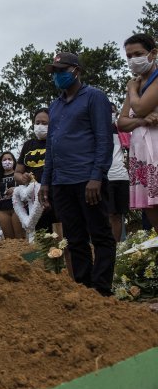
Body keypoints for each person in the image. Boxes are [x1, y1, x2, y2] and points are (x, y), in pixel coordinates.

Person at [40, 52, 115, 296]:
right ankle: (84, 288)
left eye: (62, 70)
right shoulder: (55, 105)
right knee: (75, 238)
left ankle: (102, 288)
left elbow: (104, 140)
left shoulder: (94, 97)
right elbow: (51, 146)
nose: (58, 75)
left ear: (76, 70)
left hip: (87, 179)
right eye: (55, 72)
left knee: (100, 234)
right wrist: (45, 182)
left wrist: (97, 176)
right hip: (62, 182)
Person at [118, 33, 158, 228]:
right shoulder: (137, 82)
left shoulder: (150, 81)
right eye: (129, 56)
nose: (133, 59)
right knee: (149, 206)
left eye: (138, 54)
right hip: (141, 153)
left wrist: (131, 90)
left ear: (153, 53)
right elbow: (122, 123)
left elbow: (140, 107)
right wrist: (141, 121)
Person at [15, 108, 59, 234]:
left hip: (55, 193)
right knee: (41, 233)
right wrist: (22, 177)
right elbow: (17, 173)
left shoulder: (56, 141)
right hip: (35, 199)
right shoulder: (28, 145)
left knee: (58, 230)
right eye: (37, 122)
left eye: (45, 123)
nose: (40, 126)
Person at [107, 102, 130, 242]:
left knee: (118, 216)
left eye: (113, 110)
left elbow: (131, 151)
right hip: (104, 178)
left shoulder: (123, 131)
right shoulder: (95, 130)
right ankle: (106, 248)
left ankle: (117, 248)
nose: (111, 113)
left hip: (122, 177)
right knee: (108, 215)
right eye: (108, 110)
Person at [0, 151, 25, 239]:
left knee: (20, 237)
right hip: (2, 210)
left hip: (17, 208)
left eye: (9, 159)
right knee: (8, 239)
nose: (7, 161)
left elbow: (26, 189)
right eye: (4, 159)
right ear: (1, 162)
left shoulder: (19, 175)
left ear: (14, 161)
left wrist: (16, 189)